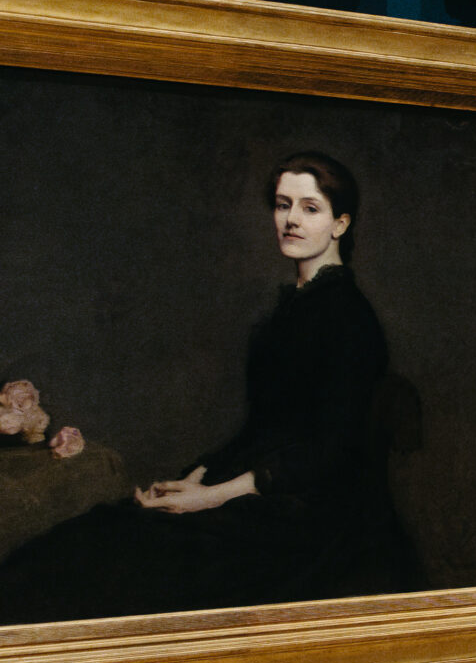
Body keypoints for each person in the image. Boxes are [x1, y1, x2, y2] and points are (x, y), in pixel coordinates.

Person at [0, 153, 419, 625]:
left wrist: (213, 496)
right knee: (87, 539)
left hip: (313, 514)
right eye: (283, 205)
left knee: (116, 558)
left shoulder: (349, 319)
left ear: (340, 224)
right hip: (260, 486)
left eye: (310, 208)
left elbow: (329, 450)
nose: (292, 220)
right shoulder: (288, 313)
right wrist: (197, 476)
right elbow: (262, 428)